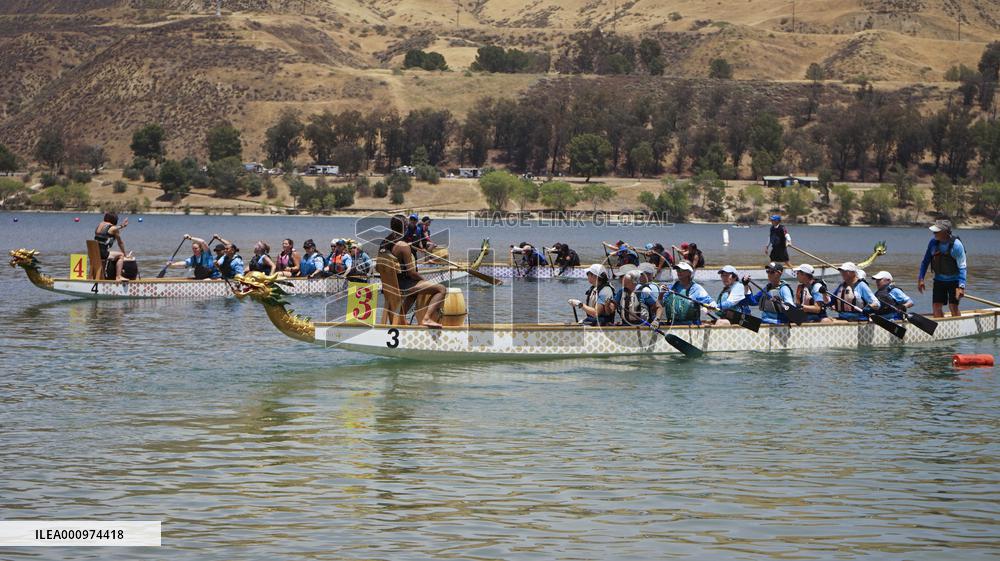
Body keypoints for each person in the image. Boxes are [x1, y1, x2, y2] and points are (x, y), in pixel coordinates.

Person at [381, 214, 446, 328]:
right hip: (402, 285)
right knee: (441, 289)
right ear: (405, 227)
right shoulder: (403, 246)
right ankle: (427, 319)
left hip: (388, 285)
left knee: (416, 291)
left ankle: (401, 317)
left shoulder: (385, 242)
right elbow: (412, 273)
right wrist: (424, 280)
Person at [918, 219, 967, 318]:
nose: (934, 233)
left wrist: (961, 287)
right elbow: (925, 261)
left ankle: (957, 327)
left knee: (953, 306)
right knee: (936, 306)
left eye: (936, 231)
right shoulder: (933, 243)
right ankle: (939, 330)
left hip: (954, 281)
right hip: (939, 280)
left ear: (945, 232)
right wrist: (921, 279)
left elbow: (962, 266)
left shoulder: (956, 245)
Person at [658, 261, 716, 326]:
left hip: (691, 325)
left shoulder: (696, 288)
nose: (678, 272)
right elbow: (660, 305)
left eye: (682, 270)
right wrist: (661, 294)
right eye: (677, 269)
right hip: (672, 324)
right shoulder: (671, 287)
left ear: (689, 272)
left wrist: (711, 306)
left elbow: (710, 301)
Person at [94, 212, 129, 280]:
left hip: (94, 252)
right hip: (102, 253)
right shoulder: (113, 228)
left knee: (105, 256)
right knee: (120, 255)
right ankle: (118, 276)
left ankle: (101, 277)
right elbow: (120, 242)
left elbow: (112, 231)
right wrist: (125, 254)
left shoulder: (100, 225)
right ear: (114, 220)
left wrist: (122, 226)